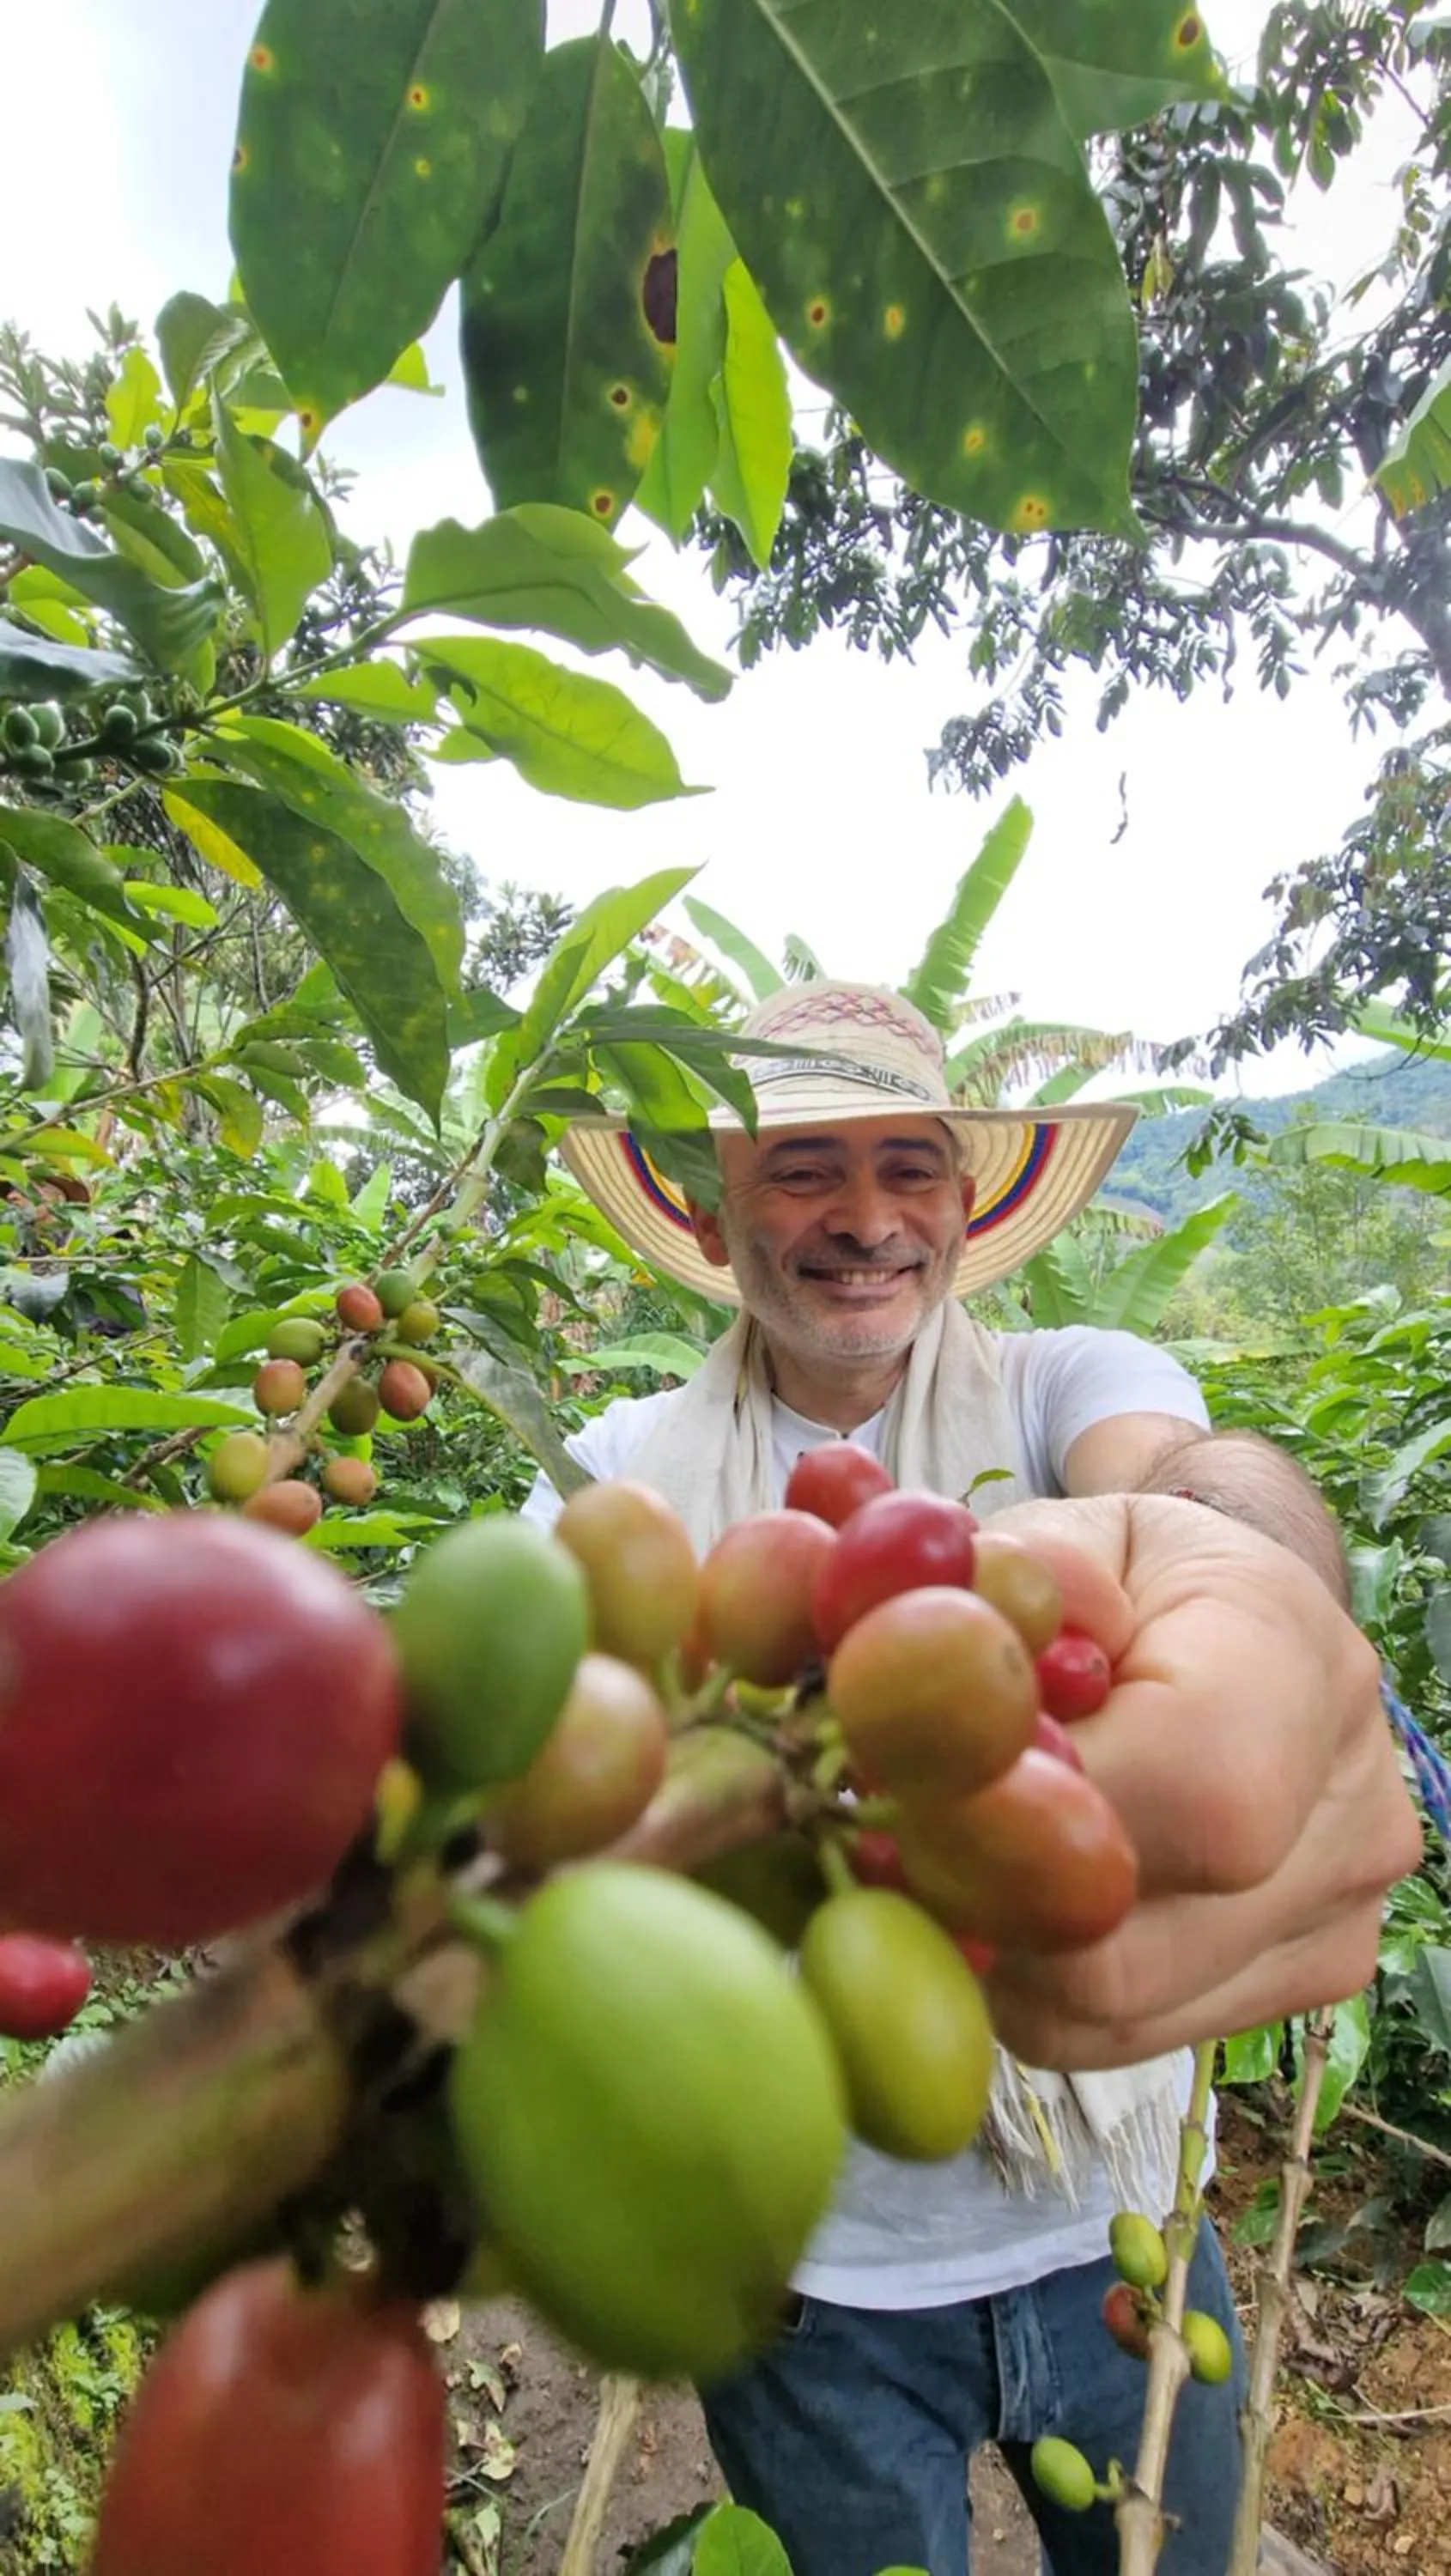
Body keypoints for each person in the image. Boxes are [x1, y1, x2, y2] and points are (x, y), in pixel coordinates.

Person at [522, 980, 1420, 2576]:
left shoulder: (1069, 1385)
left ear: (961, 1198)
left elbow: (1194, 1485)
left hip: (1118, 2241)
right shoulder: (606, 1486)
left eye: (906, 1165)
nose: (863, 1218)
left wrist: (1247, 1578)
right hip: (806, 2292)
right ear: (714, 1205)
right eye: (803, 1169)